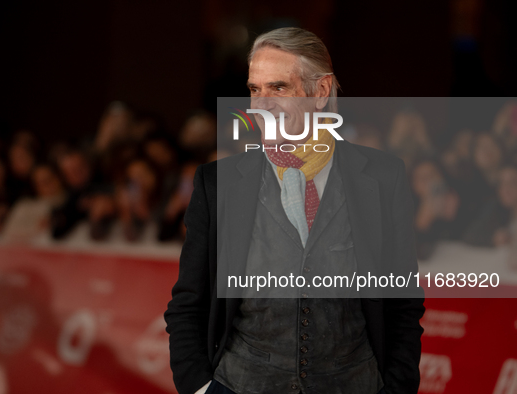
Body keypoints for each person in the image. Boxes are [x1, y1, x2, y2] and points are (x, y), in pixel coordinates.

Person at [165, 27, 425, 394]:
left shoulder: (382, 177)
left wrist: (396, 387)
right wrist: (199, 388)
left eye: (279, 88)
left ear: (320, 92)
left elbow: (403, 302)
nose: (260, 104)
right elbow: (188, 302)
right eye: (255, 89)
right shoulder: (218, 183)